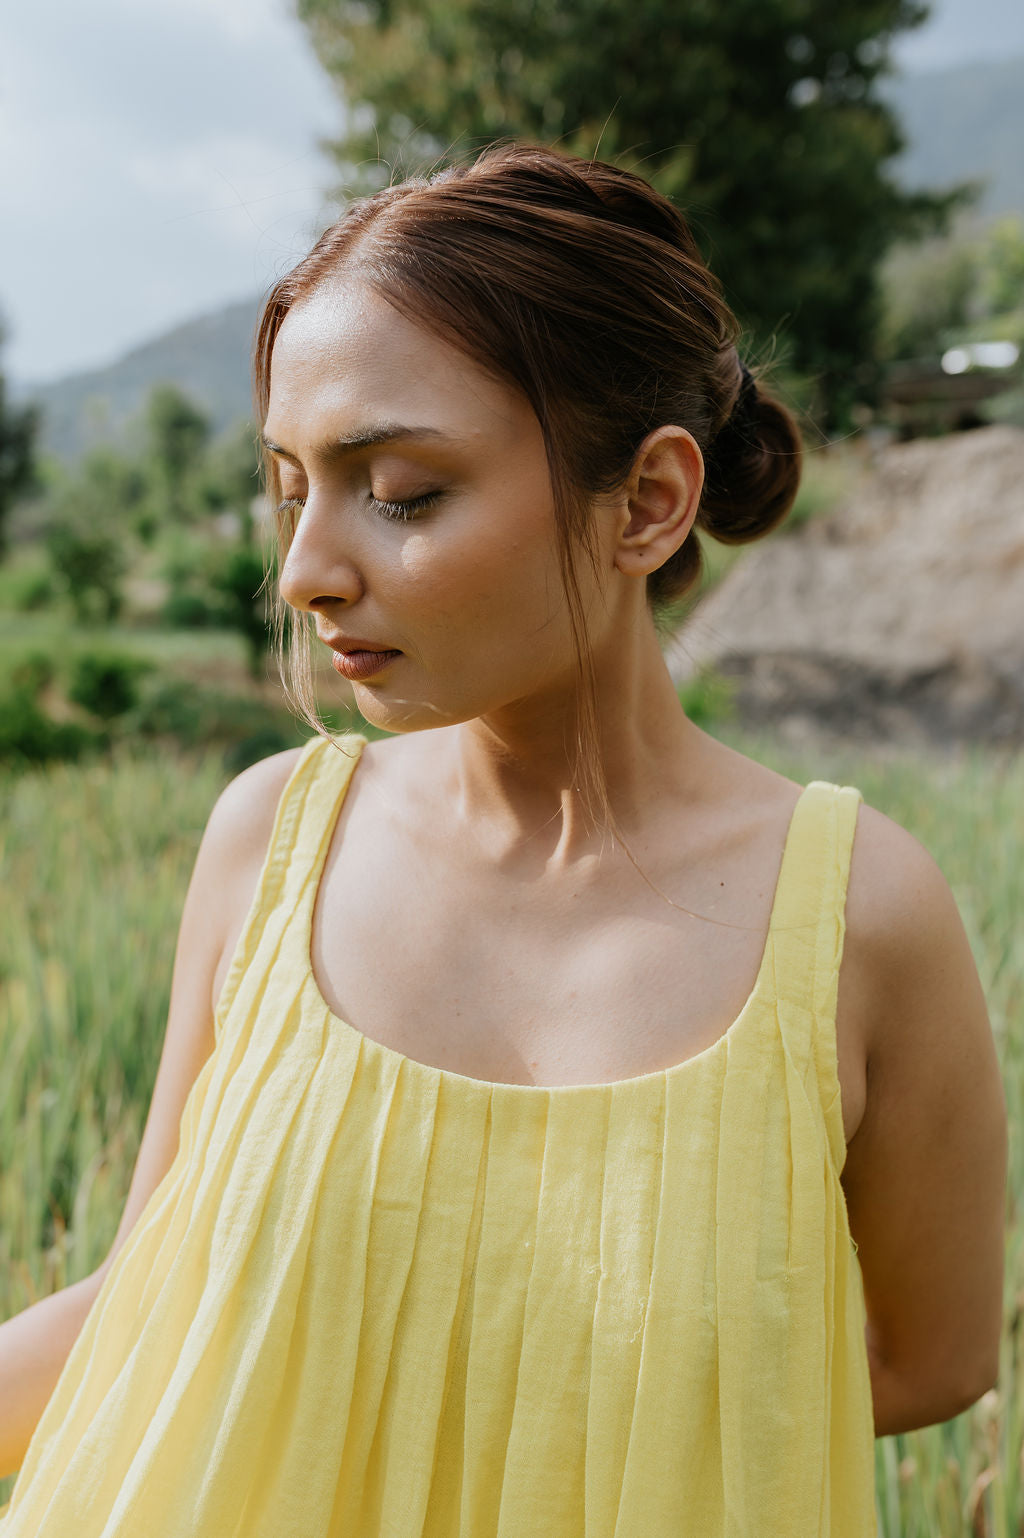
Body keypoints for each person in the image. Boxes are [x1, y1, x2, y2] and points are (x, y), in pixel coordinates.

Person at [0, 144, 1007, 1536]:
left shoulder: (861, 920)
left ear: (649, 502)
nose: (304, 571)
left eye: (399, 492)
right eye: (291, 486)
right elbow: (141, 1304)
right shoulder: (271, 844)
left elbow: (930, 1356)